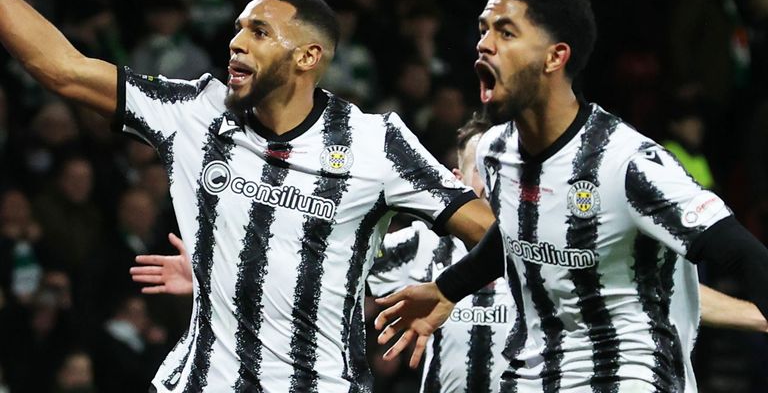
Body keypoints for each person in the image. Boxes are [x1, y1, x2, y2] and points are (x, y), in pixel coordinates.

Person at [0, 0, 494, 392]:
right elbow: (61, 68)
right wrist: (227, 273)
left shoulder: (374, 143)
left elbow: (495, 234)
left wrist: (450, 287)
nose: (236, 41)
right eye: (238, 28)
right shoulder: (195, 112)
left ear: (307, 56)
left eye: (259, 31)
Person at [133, 115, 768, 393]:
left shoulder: (562, 243)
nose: (488, 186)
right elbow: (322, 267)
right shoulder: (420, 244)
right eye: (474, 173)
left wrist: (755, 313)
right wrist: (221, 271)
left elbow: (664, 296)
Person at [373, 0, 768, 393]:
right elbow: (512, 235)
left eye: (506, 33)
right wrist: (446, 289)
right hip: (533, 375)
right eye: (483, 30)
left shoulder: (627, 163)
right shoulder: (494, 152)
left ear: (554, 57)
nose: (484, 44)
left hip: (628, 376)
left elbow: (745, 255)